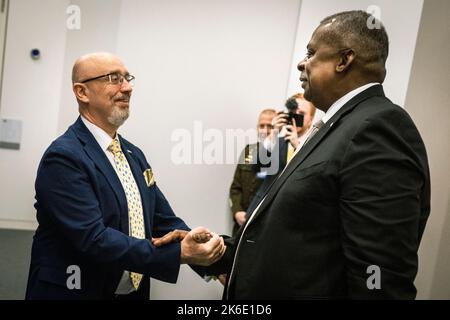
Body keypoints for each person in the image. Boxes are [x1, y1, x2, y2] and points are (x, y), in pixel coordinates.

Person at [155, 10, 431, 299]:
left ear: (344, 60)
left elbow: (380, 278)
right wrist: (219, 250)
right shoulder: (337, 126)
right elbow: (299, 238)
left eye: (311, 53)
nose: (302, 63)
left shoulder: (378, 128)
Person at [25, 52, 225, 300]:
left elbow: (161, 220)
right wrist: (178, 254)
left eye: (127, 78)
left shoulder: (133, 154)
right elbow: (93, 239)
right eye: (114, 78)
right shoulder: (64, 158)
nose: (128, 87)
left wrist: (211, 260)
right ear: (82, 92)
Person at [245, 94, 316, 216]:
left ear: (311, 120)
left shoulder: (314, 147)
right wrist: (273, 134)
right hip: (260, 210)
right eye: (293, 111)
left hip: (290, 214)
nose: (296, 115)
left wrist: (298, 147)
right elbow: (256, 167)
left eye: (302, 113)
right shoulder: (276, 141)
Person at [228, 109, 276, 235]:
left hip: (264, 227)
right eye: (261, 126)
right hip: (241, 225)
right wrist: (237, 212)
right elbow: (235, 188)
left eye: (270, 126)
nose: (265, 131)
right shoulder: (249, 151)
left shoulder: (281, 155)